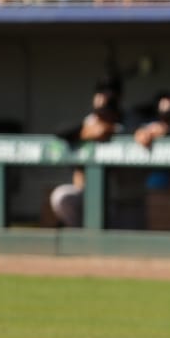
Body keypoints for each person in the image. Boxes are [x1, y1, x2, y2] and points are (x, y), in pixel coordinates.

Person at [50, 81, 125, 228]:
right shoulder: (86, 126)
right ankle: (79, 235)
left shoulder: (121, 128)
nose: (101, 118)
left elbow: (123, 129)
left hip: (116, 198)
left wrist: (109, 130)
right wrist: (85, 132)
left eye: (107, 113)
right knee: (61, 196)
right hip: (85, 193)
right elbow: (60, 131)